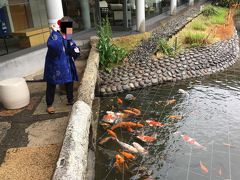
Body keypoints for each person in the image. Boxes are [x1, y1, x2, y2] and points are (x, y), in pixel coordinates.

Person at [43, 17, 80, 114]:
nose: (70, 30)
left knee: (69, 80)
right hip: (55, 64)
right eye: (69, 27)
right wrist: (54, 32)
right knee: (51, 83)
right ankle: (49, 104)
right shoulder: (54, 35)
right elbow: (54, 46)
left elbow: (71, 44)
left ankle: (70, 99)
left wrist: (75, 50)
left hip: (66, 62)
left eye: (70, 27)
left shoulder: (67, 34)